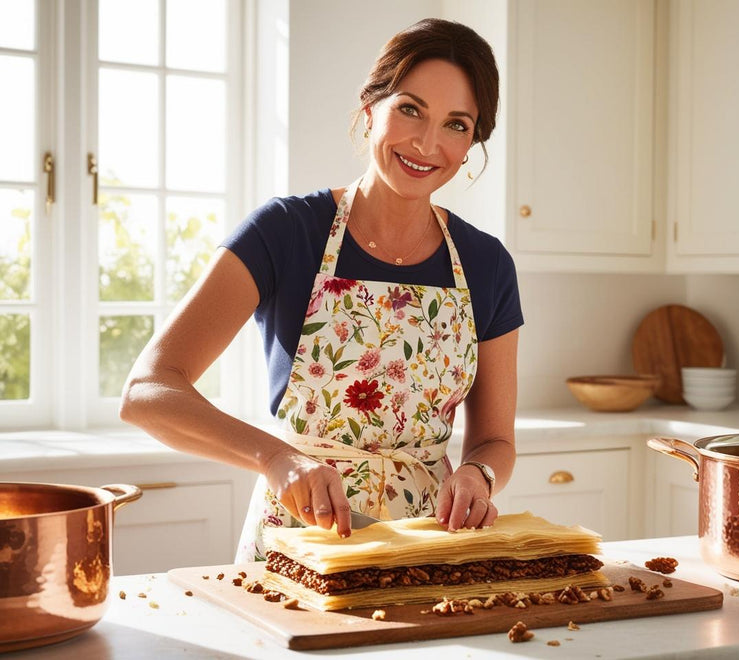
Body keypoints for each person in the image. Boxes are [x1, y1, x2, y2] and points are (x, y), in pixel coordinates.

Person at [119, 18, 523, 563]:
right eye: (410, 109)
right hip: (299, 545)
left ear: (473, 141)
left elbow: (495, 440)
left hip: (429, 551)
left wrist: (479, 474)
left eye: (456, 124)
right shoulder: (285, 232)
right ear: (370, 108)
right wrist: (277, 458)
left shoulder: (486, 263)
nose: (428, 143)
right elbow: (148, 391)